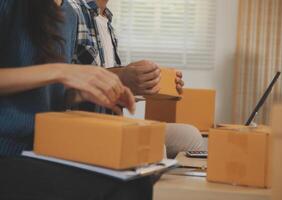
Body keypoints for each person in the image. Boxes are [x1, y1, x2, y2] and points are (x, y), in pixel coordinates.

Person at [0, 0, 154, 199]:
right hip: (8, 151)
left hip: (42, 149)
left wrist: (83, 92)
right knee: (124, 190)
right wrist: (60, 71)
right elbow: (54, 74)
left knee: (139, 180)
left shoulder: (68, 15)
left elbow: (48, 91)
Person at [68, 0, 204, 158]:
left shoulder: (106, 22)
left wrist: (151, 85)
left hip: (112, 123)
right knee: (156, 148)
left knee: (190, 136)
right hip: (83, 127)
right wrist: (121, 78)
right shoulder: (71, 10)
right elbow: (57, 89)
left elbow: (115, 89)